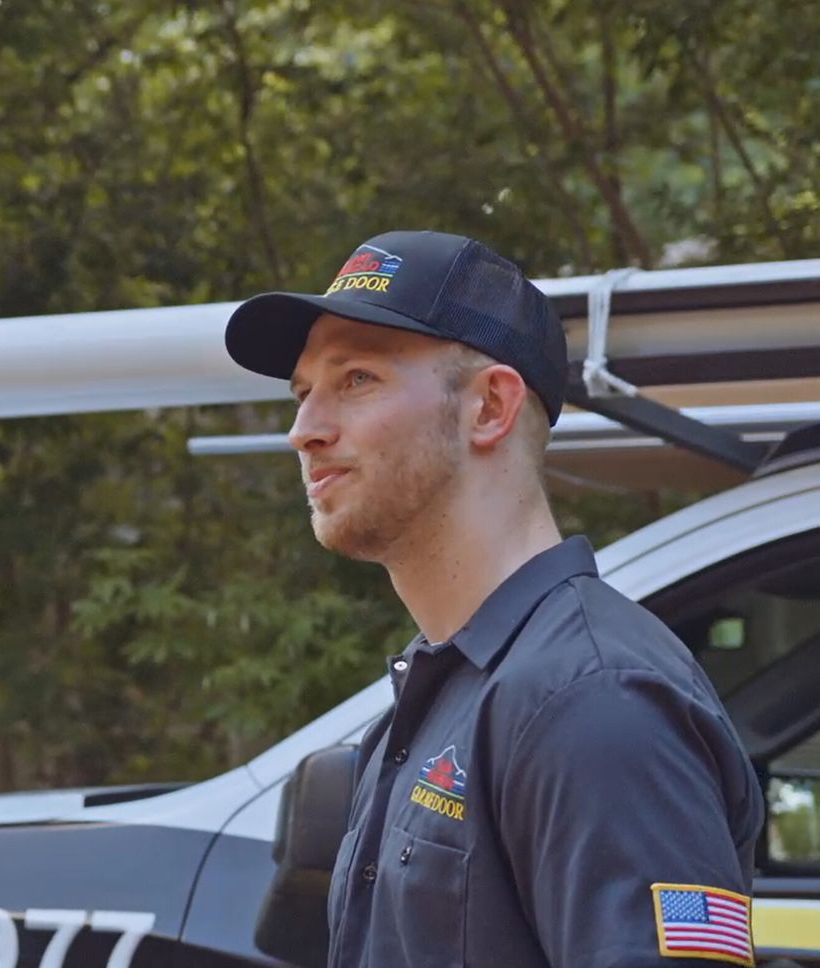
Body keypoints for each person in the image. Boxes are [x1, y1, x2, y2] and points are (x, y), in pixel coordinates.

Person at [224, 231, 764, 967]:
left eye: (355, 379)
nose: (303, 431)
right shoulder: (441, 694)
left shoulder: (594, 700)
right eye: (302, 393)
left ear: (488, 408)